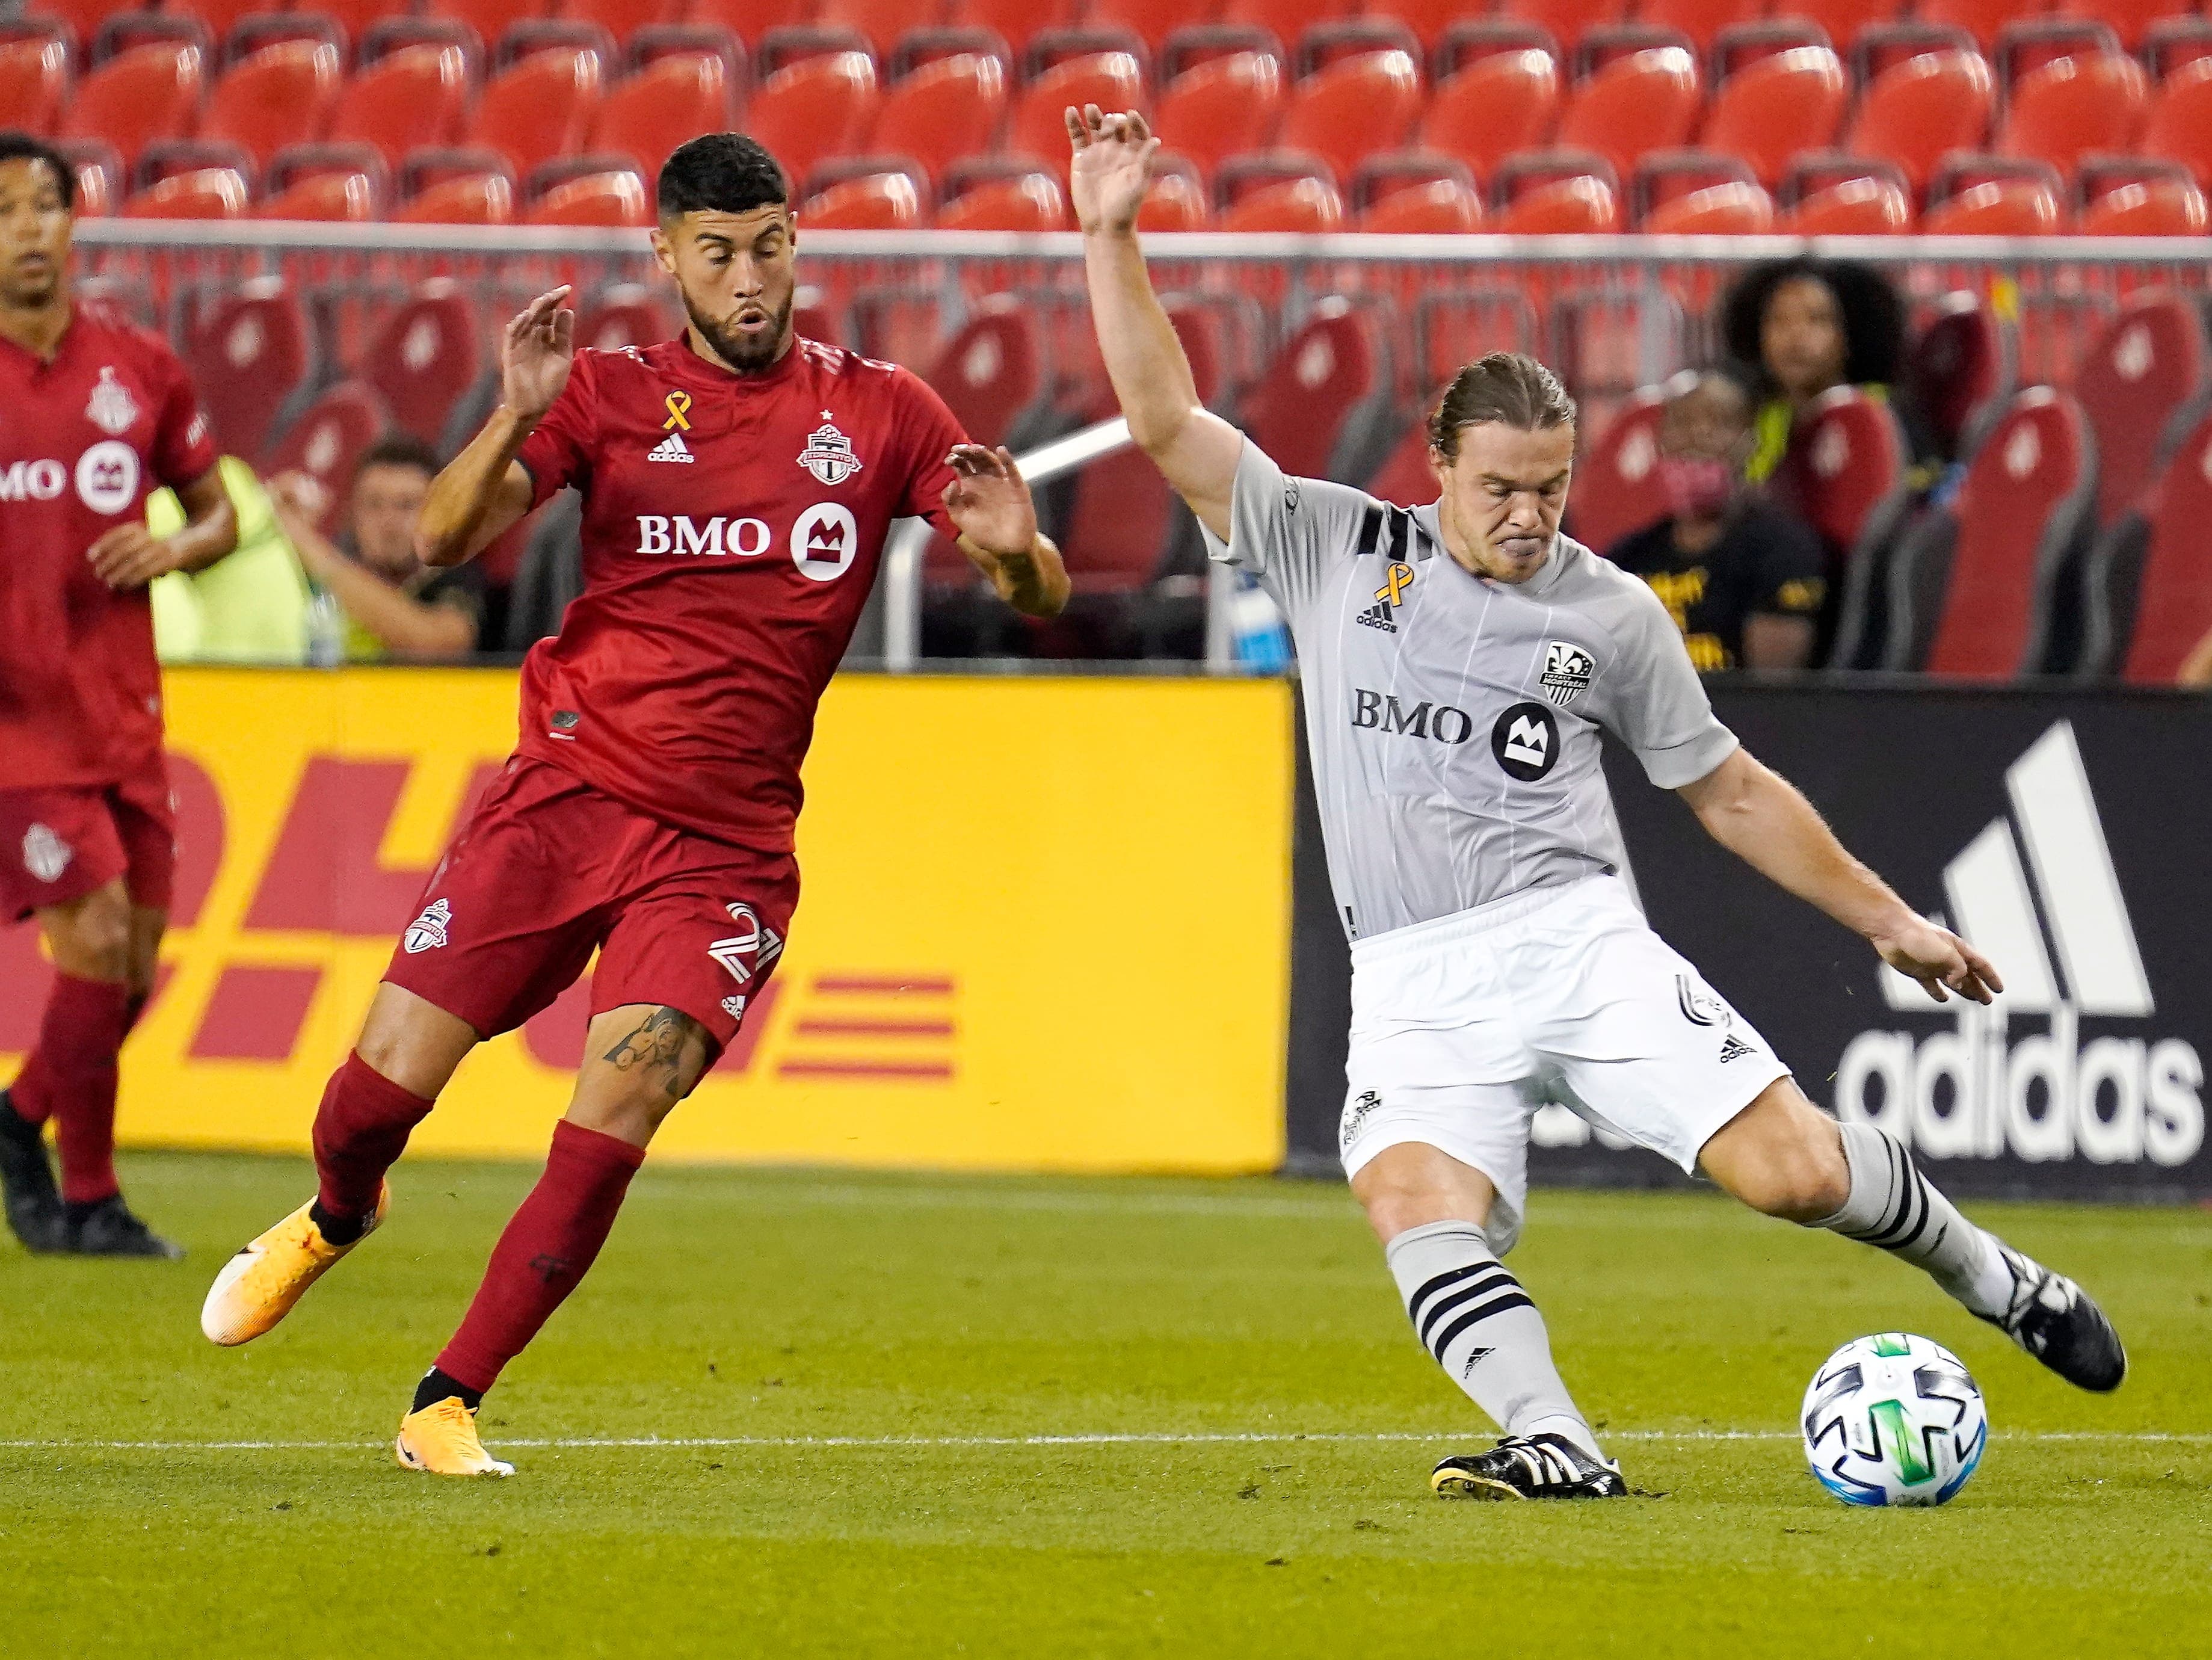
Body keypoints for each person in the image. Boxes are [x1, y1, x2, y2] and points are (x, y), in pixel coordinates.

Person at [1068, 105, 2125, 1502]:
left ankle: (1993, 1276)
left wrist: (1892, 922)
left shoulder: (1606, 612)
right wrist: (1109, 230)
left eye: (1552, 487)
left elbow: (1729, 791)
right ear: (1436, 469)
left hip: (1576, 944)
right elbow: (1162, 420)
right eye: (1500, 487)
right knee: (1409, 1200)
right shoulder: (1331, 545)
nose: (1528, 514)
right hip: (1409, 976)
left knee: (1794, 1177)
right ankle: (1557, 1442)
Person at [197, 134, 1068, 1475]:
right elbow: (437, 542)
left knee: (626, 1095)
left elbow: (1038, 587)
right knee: (381, 1087)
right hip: (562, 797)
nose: (748, 278)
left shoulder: (879, 410)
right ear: (664, 257)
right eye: (715, 253)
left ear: (796, 246)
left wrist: (1019, 562)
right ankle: (332, 1211)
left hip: (722, 848)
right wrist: (510, 411)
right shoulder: (605, 394)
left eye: (768, 246)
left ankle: (445, 1396)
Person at [0, 132, 238, 1258]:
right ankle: (56, 1165)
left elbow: (221, 512)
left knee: (132, 969)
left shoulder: (139, 367)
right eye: (4, 212)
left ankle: (49, 1153)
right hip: (17, 728)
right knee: (92, 938)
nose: (28, 229)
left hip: (125, 714)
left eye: (43, 205)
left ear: (74, 220)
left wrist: (176, 549)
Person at [1604, 367, 1826, 671]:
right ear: (1660, 443)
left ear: (1752, 443)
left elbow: (1772, 693)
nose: (1697, 437)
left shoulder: (1785, 551)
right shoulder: (1628, 557)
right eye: (1682, 423)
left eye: (1720, 423)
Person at [266, 434, 484, 662]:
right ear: (351, 515)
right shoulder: (343, 559)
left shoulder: (455, 572)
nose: (388, 522)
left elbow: (440, 647)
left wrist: (309, 545)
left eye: (407, 505)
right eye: (373, 504)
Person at [1719, 256, 1912, 485]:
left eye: (1817, 320)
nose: (1796, 337)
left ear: (1851, 334)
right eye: (1779, 320)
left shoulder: (1885, 413)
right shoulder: (1756, 417)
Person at [147, 453, 313, 664]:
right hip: (290, 666)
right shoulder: (237, 476)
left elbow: (134, 541)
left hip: (229, 670)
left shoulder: (216, 486)